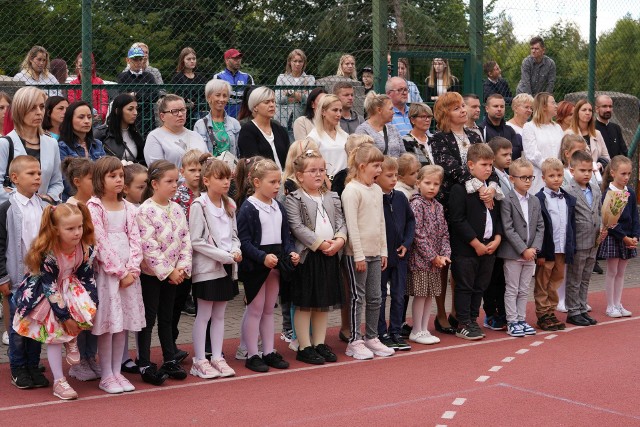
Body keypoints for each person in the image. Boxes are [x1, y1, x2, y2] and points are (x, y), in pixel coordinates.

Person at [430, 91, 501, 334]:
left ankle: (459, 313)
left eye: (463, 106)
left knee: (467, 265)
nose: (463, 110)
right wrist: (477, 185)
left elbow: (485, 161)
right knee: (448, 262)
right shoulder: (439, 138)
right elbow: (448, 168)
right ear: (444, 113)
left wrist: (489, 186)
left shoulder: (474, 134)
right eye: (456, 107)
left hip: (477, 203)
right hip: (452, 202)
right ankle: (441, 313)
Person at [13, 202, 98, 400]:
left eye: (79, 227)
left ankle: (72, 338)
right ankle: (59, 381)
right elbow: (50, 287)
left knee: (83, 312)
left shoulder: (85, 248)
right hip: (48, 293)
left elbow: (87, 276)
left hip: (70, 286)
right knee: (53, 337)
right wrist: (64, 316)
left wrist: (92, 303)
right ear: (56, 230)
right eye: (70, 228)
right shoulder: (49, 254)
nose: (77, 232)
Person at [86, 156, 144, 394]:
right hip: (109, 276)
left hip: (129, 276)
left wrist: (133, 268)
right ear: (101, 179)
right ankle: (106, 374)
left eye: (120, 175)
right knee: (109, 325)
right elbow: (99, 243)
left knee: (122, 326)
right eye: (113, 176)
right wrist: (119, 273)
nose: (119, 180)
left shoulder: (129, 207)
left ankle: (118, 372)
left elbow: (135, 240)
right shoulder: (94, 207)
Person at [237, 159, 299, 372]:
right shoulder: (248, 208)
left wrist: (291, 252)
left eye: (278, 182)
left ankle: (269, 351)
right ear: (256, 182)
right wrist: (262, 257)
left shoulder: (278, 206)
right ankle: (252, 354)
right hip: (256, 266)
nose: (277, 186)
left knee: (269, 310)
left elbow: (286, 236)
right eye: (272, 182)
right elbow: (243, 241)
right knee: (255, 309)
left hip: (275, 264)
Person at [285, 150, 346, 364]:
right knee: (305, 303)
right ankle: (304, 345)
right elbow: (296, 226)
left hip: (329, 255)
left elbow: (340, 222)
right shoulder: (294, 198)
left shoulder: (332, 196)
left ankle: (319, 342)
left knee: (322, 302)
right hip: (308, 257)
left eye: (321, 170)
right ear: (300, 176)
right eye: (312, 171)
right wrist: (319, 244)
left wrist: (339, 240)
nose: (318, 174)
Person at [136, 160, 192, 385]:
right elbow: (148, 245)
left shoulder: (176, 208)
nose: (174, 186)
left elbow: (185, 240)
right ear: (155, 184)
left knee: (167, 318)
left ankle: (169, 358)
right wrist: (168, 271)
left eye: (176, 181)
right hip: (153, 275)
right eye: (169, 181)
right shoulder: (145, 211)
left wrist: (182, 268)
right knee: (148, 319)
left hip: (175, 274)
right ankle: (145, 363)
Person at [0, 156, 50, 390]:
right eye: (31, 173)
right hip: (17, 279)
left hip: (40, 278)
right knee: (18, 328)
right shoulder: (7, 208)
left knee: (37, 324)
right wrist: (3, 277)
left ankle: (33, 364)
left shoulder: (44, 205)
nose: (37, 177)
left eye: (39, 173)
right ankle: (18, 368)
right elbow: (0, 246)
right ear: (15, 178)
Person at [189, 157, 240, 378]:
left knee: (220, 314)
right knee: (204, 314)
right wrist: (224, 255)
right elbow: (196, 240)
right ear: (207, 180)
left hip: (227, 267)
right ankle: (199, 360)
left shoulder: (230, 204)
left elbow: (234, 235)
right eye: (220, 178)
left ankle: (217, 356)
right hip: (208, 269)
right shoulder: (198, 206)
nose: (226, 182)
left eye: (228, 177)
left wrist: (236, 250)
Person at [341, 144, 393, 359]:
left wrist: (383, 250)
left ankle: (372, 337)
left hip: (374, 253)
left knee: (376, 297)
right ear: (362, 166)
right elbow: (352, 226)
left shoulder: (377, 190)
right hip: (357, 255)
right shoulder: (351, 191)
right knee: (357, 297)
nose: (379, 170)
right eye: (376, 166)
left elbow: (380, 222)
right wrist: (359, 255)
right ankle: (354, 340)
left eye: (380, 165)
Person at [449, 144, 503, 341]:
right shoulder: (460, 190)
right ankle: (462, 321)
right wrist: (475, 243)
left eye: (490, 165)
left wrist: (497, 238)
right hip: (467, 250)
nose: (488, 169)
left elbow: (498, 217)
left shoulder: (492, 190)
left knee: (480, 285)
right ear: (470, 165)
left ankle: (472, 318)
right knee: (465, 285)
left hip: (489, 247)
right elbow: (457, 220)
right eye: (484, 164)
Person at [497, 157, 544, 337]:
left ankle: (521, 319)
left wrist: (534, 248)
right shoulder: (507, 200)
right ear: (511, 178)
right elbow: (508, 228)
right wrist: (523, 249)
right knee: (512, 288)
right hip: (513, 254)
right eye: (523, 177)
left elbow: (540, 226)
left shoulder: (535, 201)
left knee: (524, 289)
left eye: (530, 177)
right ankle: (512, 321)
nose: (527, 181)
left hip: (530, 254)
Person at [407, 165, 450, 344]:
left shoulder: (438, 206)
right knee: (421, 294)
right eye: (427, 183)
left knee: (430, 294)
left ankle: (424, 328)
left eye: (436, 184)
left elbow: (444, 233)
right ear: (418, 183)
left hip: (436, 261)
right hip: (420, 260)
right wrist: (433, 256)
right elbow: (418, 234)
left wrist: (445, 254)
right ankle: (416, 329)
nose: (432, 187)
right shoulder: (416, 204)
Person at [376, 156, 415, 351]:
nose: (393, 180)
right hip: (382, 256)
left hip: (400, 256)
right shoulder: (374, 197)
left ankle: (396, 332)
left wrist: (407, 243)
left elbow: (410, 221)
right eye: (389, 175)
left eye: (395, 176)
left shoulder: (400, 197)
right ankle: (381, 332)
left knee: (399, 295)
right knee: (381, 295)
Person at [0, 86, 64, 205]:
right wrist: (25, 199)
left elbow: (57, 182)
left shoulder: (52, 143)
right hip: (14, 214)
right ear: (20, 110)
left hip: (44, 212)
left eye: (41, 106)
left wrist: (48, 198)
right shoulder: (4, 143)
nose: (39, 112)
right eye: (32, 108)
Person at [534, 158, 576, 331]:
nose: (556, 179)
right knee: (543, 282)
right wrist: (540, 252)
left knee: (556, 282)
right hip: (548, 250)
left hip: (562, 248)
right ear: (543, 178)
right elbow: (539, 227)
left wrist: (570, 247)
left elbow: (571, 225)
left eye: (559, 175)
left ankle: (551, 311)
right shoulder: (538, 199)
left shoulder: (568, 199)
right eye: (552, 175)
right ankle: (542, 314)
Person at [562, 150, 602, 327]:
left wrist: (603, 227)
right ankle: (573, 311)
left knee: (586, 276)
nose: (586, 174)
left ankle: (582, 307)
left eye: (589, 171)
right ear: (572, 170)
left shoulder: (595, 188)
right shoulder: (568, 190)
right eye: (582, 170)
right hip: (578, 241)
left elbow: (599, 211)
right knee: (575, 277)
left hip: (594, 240)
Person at [170, 150, 204, 352]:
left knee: (203, 302)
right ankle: (171, 345)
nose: (197, 174)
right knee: (177, 302)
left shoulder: (207, 192)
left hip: (203, 256)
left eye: (200, 170)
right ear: (182, 171)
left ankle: (205, 344)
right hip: (183, 256)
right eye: (192, 170)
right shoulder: (178, 196)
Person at [598, 155, 638, 318]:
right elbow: (609, 220)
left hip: (628, 237)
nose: (626, 177)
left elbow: (635, 215)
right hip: (615, 237)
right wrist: (624, 237)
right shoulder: (609, 193)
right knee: (612, 271)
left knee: (621, 272)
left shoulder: (630, 192)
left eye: (629, 173)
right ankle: (610, 306)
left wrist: (635, 236)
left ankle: (618, 303)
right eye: (623, 174)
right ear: (613, 173)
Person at [483, 137, 513, 332]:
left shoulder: (508, 175)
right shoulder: (493, 178)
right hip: (496, 233)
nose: (509, 158)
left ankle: (503, 312)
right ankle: (490, 313)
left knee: (502, 278)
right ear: (493, 157)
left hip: (507, 234)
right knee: (491, 278)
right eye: (505, 155)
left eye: (510, 154)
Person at [58, 101, 107, 199]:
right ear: (69, 120)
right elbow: (65, 181)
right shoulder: (61, 147)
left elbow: (105, 171)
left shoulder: (97, 144)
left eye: (89, 117)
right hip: (73, 200)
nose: (87, 121)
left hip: (98, 197)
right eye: (81, 117)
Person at [144, 95, 208, 168]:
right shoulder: (155, 137)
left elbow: (207, 163)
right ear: (162, 116)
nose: (180, 114)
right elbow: (157, 171)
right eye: (174, 111)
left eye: (183, 110)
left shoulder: (196, 135)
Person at [522, 92, 564, 194]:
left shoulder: (557, 127)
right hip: (539, 178)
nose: (556, 106)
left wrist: (557, 172)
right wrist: (549, 170)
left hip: (558, 178)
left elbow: (562, 151)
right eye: (553, 103)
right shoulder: (529, 127)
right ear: (544, 106)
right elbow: (532, 154)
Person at [237, 87, 289, 169]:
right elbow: (253, 164)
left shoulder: (280, 129)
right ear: (255, 107)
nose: (272, 105)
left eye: (273, 101)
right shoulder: (247, 130)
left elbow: (288, 159)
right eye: (266, 102)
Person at [193, 79, 242, 158]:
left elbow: (239, 151)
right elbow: (198, 154)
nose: (222, 99)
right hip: (210, 169)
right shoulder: (200, 125)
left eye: (225, 96)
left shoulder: (234, 123)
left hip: (231, 169)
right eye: (218, 95)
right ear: (209, 97)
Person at [117, 46, 158, 137]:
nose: (138, 62)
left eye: (140, 59)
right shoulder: (123, 76)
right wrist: (145, 96)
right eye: (135, 59)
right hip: (129, 117)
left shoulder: (149, 76)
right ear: (128, 60)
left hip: (147, 117)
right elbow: (122, 97)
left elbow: (155, 96)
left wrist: (136, 95)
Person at [95, 93, 146, 164]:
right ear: (117, 111)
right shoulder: (102, 133)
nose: (135, 113)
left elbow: (142, 160)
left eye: (136, 109)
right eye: (130, 109)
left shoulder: (135, 134)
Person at [308, 94, 349, 179]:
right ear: (323, 112)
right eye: (335, 110)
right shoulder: (313, 137)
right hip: (323, 182)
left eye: (340, 111)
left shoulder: (344, 136)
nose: (338, 114)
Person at [275, 49, 315, 133]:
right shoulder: (282, 77)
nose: (297, 64)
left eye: (300, 61)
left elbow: (308, 100)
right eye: (295, 61)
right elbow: (278, 99)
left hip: (300, 117)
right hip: (282, 119)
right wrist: (299, 97)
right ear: (290, 62)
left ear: (304, 63)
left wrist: (290, 93)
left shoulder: (309, 78)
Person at [565, 99, 610, 172]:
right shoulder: (569, 133)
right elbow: (565, 158)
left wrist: (600, 165)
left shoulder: (597, 133)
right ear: (577, 113)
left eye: (590, 110)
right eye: (584, 110)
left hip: (595, 175)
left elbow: (606, 157)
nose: (587, 113)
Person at [355, 92, 405, 157]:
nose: (393, 112)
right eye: (391, 109)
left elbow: (403, 153)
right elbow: (364, 157)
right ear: (379, 110)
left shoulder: (393, 129)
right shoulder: (363, 131)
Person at [68, 52, 109, 123]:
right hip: (79, 119)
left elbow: (103, 102)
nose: (83, 69)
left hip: (96, 120)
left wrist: (100, 115)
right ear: (76, 65)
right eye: (81, 65)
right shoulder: (73, 84)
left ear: (92, 66)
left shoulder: (99, 82)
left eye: (86, 66)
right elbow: (73, 104)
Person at [214, 49, 255, 118]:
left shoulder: (247, 77)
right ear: (227, 61)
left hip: (243, 115)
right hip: (225, 114)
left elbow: (252, 97)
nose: (238, 61)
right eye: (235, 59)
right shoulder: (219, 77)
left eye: (239, 58)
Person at [170, 47, 208, 123]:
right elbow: (180, 97)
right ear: (182, 61)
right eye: (189, 59)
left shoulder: (201, 77)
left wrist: (194, 104)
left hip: (201, 113)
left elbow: (206, 97)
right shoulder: (177, 77)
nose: (192, 61)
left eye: (194, 59)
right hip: (184, 115)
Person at [480, 94, 523, 160]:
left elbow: (516, 154)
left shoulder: (510, 130)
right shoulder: (481, 130)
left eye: (502, 106)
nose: (499, 109)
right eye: (496, 106)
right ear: (487, 109)